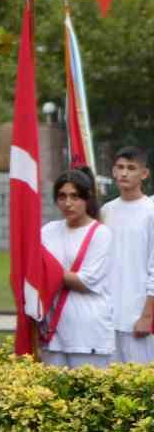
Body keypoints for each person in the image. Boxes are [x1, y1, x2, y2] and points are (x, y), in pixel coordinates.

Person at [39, 169, 115, 368]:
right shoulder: (48, 231)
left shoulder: (100, 234)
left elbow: (84, 282)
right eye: (62, 196)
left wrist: (50, 272)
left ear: (87, 198)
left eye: (75, 196)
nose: (68, 203)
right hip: (53, 333)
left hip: (88, 333)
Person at [100, 147, 154, 364]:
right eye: (120, 167)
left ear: (144, 174)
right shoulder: (106, 211)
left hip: (138, 318)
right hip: (107, 318)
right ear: (113, 171)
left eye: (131, 168)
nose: (124, 173)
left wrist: (147, 316)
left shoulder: (150, 211)